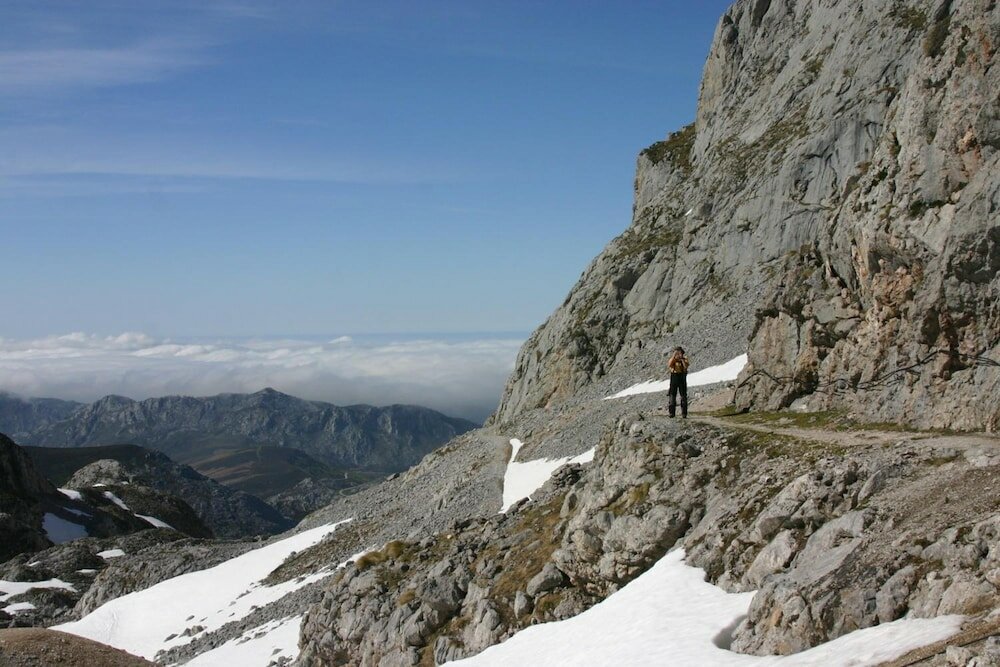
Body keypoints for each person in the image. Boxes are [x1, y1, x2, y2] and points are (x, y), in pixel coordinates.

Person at [667, 347, 689, 418]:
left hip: (682, 377)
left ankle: (684, 413)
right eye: (677, 353)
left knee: (683, 395)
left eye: (680, 353)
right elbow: (670, 364)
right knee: (672, 395)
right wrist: (674, 356)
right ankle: (671, 413)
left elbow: (685, 367)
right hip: (674, 377)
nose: (679, 355)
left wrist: (682, 359)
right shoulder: (673, 360)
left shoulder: (685, 359)